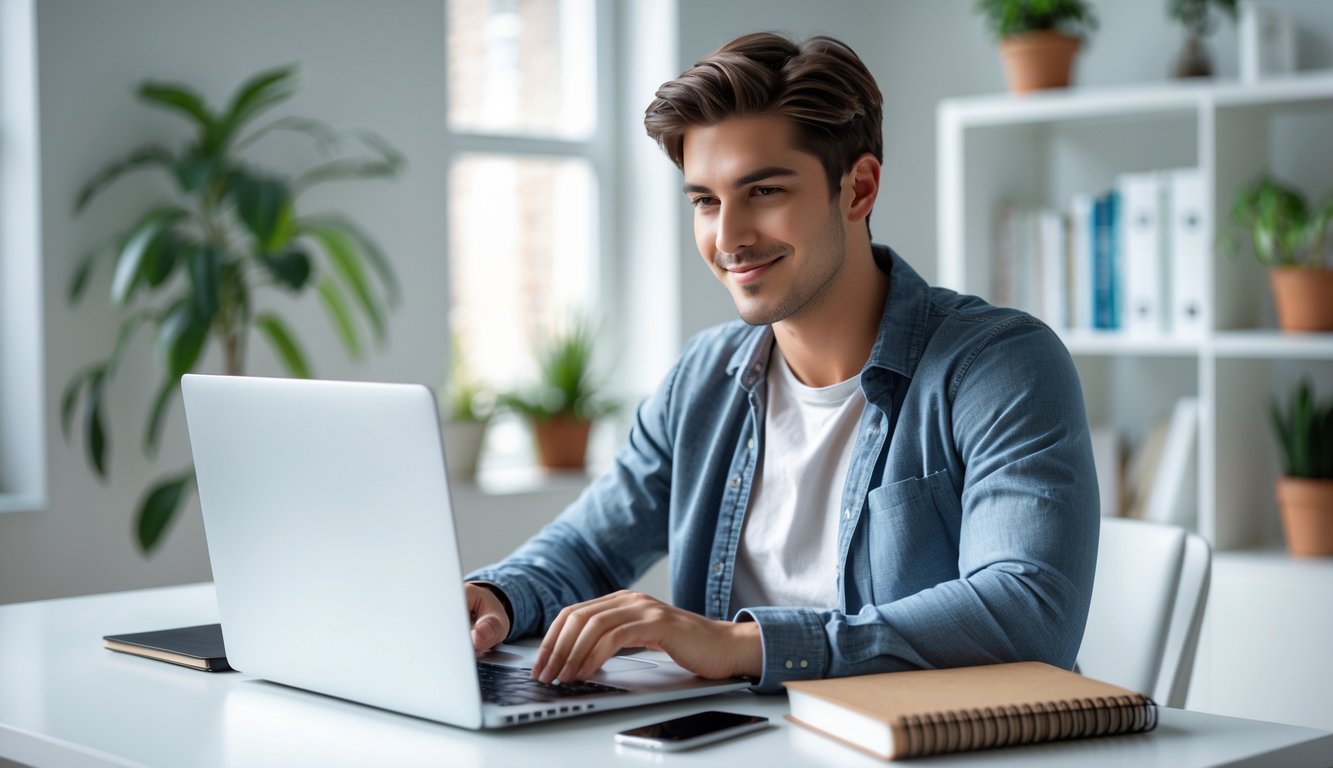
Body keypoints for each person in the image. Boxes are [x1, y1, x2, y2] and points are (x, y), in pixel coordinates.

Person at [464, 31, 1098, 694]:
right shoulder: (702, 377)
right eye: (705, 201)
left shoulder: (997, 367)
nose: (728, 237)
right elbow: (590, 547)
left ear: (858, 188)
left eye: (762, 192)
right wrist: (494, 598)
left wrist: (743, 645)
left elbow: (1029, 614)